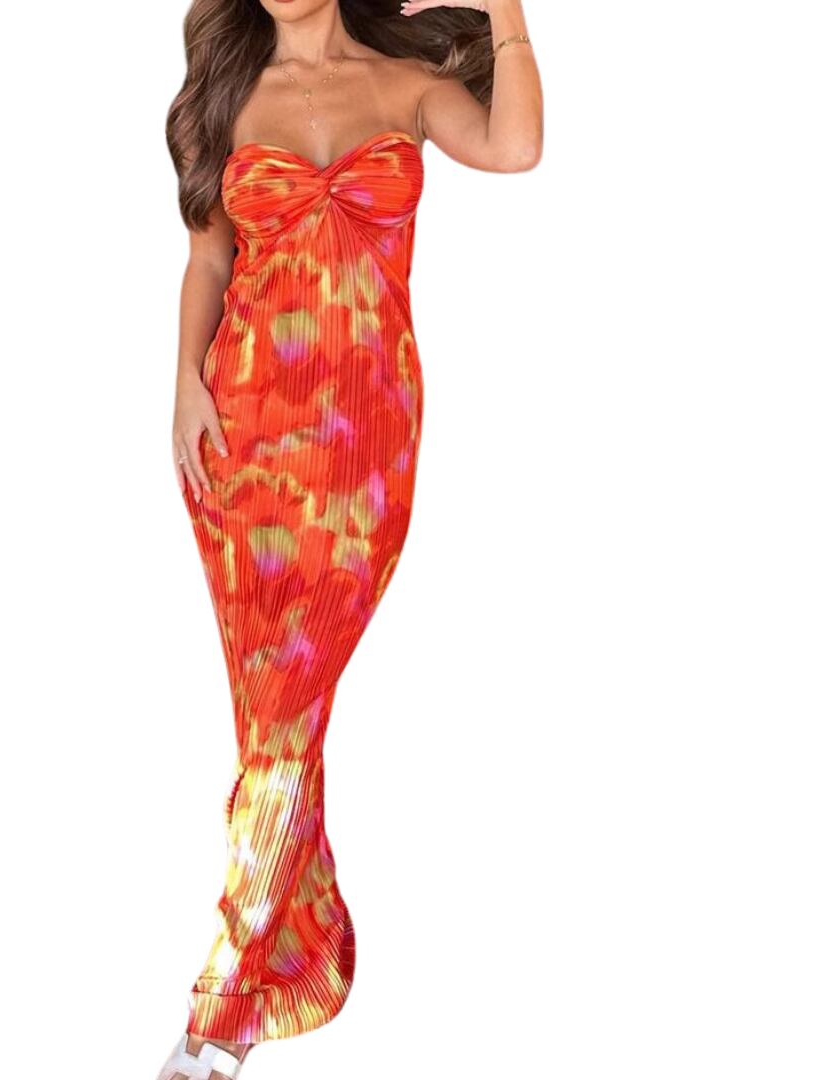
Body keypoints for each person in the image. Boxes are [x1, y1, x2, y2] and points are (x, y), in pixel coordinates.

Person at [157, 1, 542, 1076]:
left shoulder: (406, 87)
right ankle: (284, 964)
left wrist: (505, 7)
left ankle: (226, 1003)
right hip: (243, 438)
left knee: (286, 716)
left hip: (366, 443)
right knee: (276, 724)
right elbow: (207, 258)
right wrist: (183, 384)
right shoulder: (226, 98)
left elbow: (515, 147)